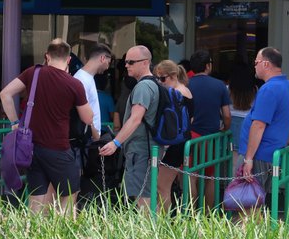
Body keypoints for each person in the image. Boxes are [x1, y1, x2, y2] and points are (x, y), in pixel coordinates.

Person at [0, 39, 93, 216]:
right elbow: (88, 118)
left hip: (32, 148)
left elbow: (5, 94)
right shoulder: (74, 84)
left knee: (37, 198)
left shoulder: (33, 73)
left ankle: (33, 235)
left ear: (47, 56)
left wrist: (15, 123)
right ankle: (65, 235)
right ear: (69, 60)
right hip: (59, 149)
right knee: (70, 195)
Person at [99, 45, 160, 211]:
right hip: (147, 148)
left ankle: (146, 234)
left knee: (142, 197)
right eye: (125, 62)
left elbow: (135, 119)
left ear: (145, 62)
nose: (126, 65)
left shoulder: (143, 87)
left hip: (141, 150)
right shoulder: (154, 83)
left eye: (131, 62)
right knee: (147, 194)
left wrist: (115, 143)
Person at [239, 47, 289, 201]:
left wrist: (248, 158)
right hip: (272, 154)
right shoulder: (288, 86)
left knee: (251, 203)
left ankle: (252, 226)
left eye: (256, 62)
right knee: (259, 199)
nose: (254, 66)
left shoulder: (268, 89)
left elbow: (258, 125)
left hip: (260, 154)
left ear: (265, 64)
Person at [188, 49, 232, 207]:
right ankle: (208, 217)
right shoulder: (219, 85)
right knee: (210, 177)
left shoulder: (186, 83)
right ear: (208, 65)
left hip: (189, 136)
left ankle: (190, 215)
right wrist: (225, 128)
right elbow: (226, 115)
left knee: (190, 175)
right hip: (210, 137)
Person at [153, 59, 193, 211]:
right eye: (158, 79)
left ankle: (165, 224)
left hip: (173, 144)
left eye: (162, 78)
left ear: (173, 75)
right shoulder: (185, 91)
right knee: (163, 187)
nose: (160, 82)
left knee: (162, 187)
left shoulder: (176, 94)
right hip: (181, 142)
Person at [73, 44, 112, 141]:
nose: (108, 67)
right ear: (103, 58)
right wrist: (95, 136)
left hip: (89, 137)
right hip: (86, 138)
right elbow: (82, 113)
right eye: (109, 62)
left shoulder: (87, 77)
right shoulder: (82, 79)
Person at [228, 61, 257, 152]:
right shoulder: (255, 89)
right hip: (248, 121)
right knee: (244, 152)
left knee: (230, 151)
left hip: (231, 120)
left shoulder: (228, 89)